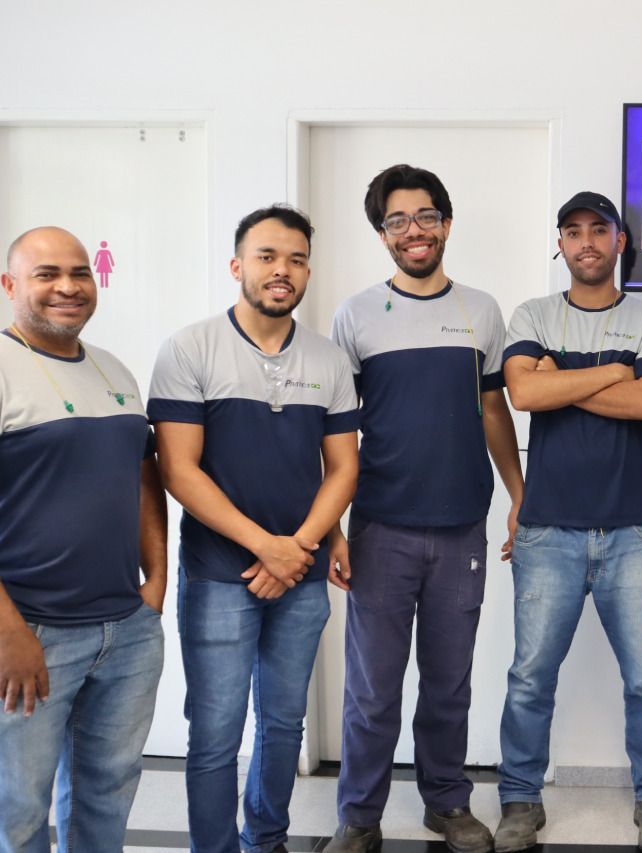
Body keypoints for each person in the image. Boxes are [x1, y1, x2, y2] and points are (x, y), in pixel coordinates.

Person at [323, 165, 524, 853]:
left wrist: (519, 495)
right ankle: (358, 813)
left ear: (446, 221)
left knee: (449, 682)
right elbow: (335, 433)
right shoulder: (353, 315)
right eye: (398, 220)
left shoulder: (481, 310)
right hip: (380, 527)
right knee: (373, 690)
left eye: (426, 215)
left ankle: (445, 800)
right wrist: (334, 530)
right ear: (382, 234)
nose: (415, 230)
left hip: (462, 523)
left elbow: (494, 407)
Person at [149, 205, 360, 853]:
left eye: (296, 259)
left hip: (298, 576)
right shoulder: (191, 348)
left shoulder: (328, 358)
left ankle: (265, 838)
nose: (282, 270)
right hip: (218, 575)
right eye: (268, 256)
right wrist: (266, 545)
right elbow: (178, 471)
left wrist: (297, 549)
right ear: (238, 266)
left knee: (284, 723)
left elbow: (344, 467)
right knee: (214, 731)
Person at [496, 191, 642, 853]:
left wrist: (566, 376)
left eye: (597, 230)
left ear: (619, 241)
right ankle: (519, 798)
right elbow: (524, 393)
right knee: (529, 676)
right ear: (561, 244)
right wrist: (614, 371)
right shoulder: (533, 313)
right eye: (572, 232)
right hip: (548, 530)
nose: (585, 242)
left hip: (634, 530)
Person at [0, 226, 165, 852]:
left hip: (125, 631)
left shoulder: (112, 368)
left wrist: (156, 582)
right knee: (17, 807)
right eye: (46, 275)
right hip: (31, 632)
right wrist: (8, 631)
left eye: (79, 273)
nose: (67, 287)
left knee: (109, 789)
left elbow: (144, 477)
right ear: (11, 285)